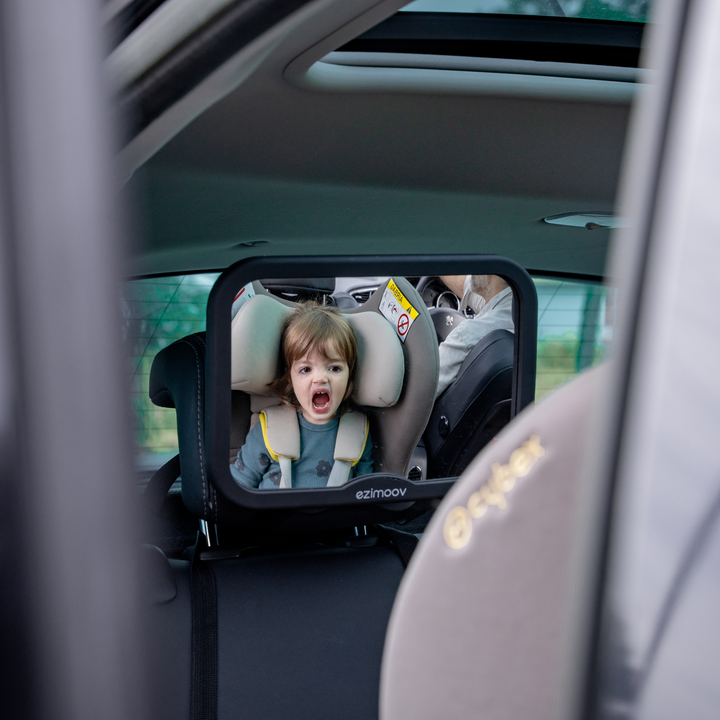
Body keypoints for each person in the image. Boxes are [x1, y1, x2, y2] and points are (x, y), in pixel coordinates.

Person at [230, 302, 373, 488]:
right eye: (306, 369)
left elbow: (366, 497)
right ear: (290, 377)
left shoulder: (359, 433)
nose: (321, 378)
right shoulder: (267, 432)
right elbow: (237, 488)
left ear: (349, 374)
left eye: (334, 368)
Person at [435, 274, 514, 398]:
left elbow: (420, 390)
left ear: (493, 271)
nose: (471, 272)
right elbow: (464, 284)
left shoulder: (468, 335)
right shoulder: (519, 304)